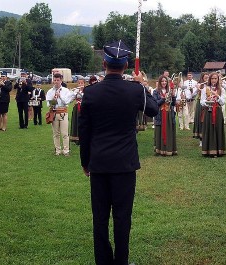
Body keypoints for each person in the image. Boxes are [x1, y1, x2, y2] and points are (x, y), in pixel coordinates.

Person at [78, 40, 158, 265]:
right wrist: (143, 85)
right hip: (124, 165)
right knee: (123, 218)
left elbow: (84, 132)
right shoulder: (135, 90)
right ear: (125, 66)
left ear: (104, 63)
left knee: (100, 218)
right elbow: (153, 109)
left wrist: (86, 162)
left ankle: (103, 261)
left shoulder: (91, 93)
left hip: (100, 163)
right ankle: (121, 261)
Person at [199, 73, 226, 157]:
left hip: (217, 111)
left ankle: (219, 150)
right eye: (212, 79)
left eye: (215, 78)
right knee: (209, 129)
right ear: (209, 80)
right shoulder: (205, 89)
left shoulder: (221, 89)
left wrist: (217, 95)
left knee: (217, 129)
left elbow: (223, 102)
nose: (214, 80)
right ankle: (208, 150)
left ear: (218, 79)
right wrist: (207, 101)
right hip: (208, 111)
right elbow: (201, 102)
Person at [46, 73, 74, 156]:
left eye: (58, 80)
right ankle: (57, 150)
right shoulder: (50, 91)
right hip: (54, 113)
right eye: (55, 80)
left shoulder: (65, 90)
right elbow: (48, 104)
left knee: (65, 133)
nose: (56, 82)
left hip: (63, 113)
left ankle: (66, 150)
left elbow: (67, 101)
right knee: (56, 134)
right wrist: (54, 99)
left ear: (61, 81)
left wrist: (60, 96)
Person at [153, 76, 178, 156]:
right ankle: (160, 150)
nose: (164, 83)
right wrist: (164, 98)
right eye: (162, 81)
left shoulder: (170, 91)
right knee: (160, 131)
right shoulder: (156, 91)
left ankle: (170, 149)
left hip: (169, 114)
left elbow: (173, 104)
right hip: (160, 114)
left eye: (165, 81)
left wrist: (173, 96)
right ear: (160, 82)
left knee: (169, 131)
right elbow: (155, 103)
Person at [192, 73, 208, 139]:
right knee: (200, 119)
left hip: (209, 104)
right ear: (202, 78)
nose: (207, 79)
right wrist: (197, 89)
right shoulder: (200, 85)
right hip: (200, 104)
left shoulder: (210, 85)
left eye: (208, 78)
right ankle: (200, 138)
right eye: (205, 78)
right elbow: (193, 95)